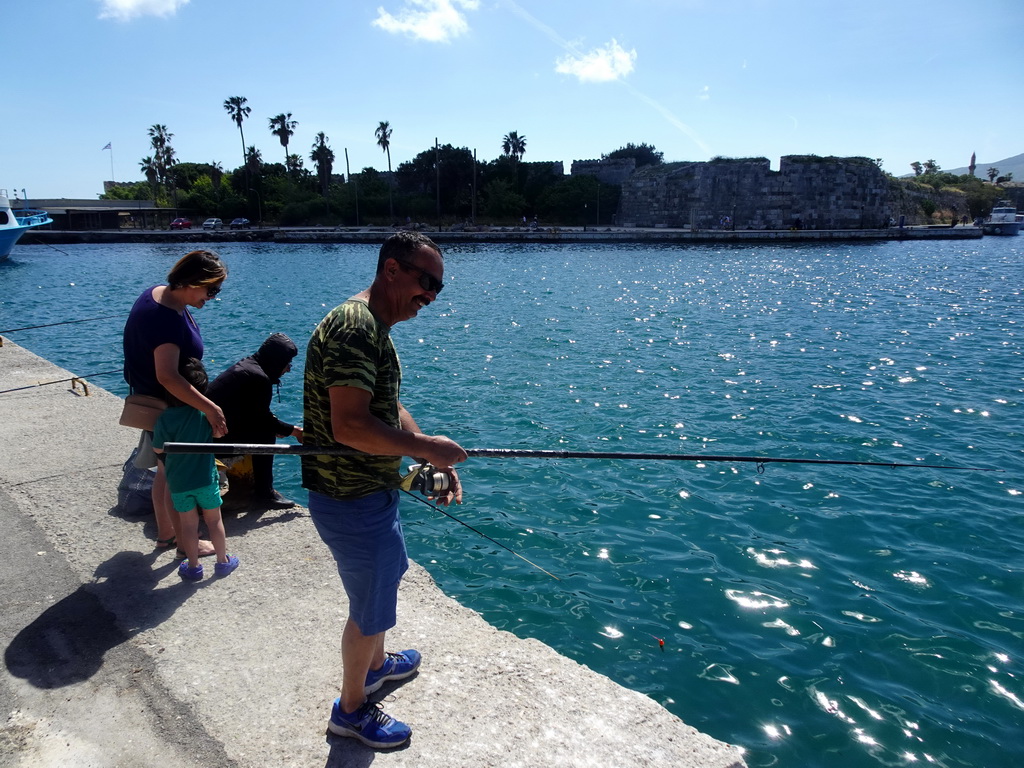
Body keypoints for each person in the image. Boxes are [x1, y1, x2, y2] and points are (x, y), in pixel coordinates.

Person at [302, 231, 467, 749]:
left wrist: (425, 453)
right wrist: (427, 447)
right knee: (370, 607)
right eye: (427, 282)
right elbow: (349, 426)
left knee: (384, 581)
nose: (433, 295)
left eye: (438, 286)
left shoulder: (373, 325)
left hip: (371, 491)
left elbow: (386, 408)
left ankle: (376, 667)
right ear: (391, 270)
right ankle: (350, 711)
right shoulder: (355, 327)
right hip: (350, 497)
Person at [122, 250, 228, 559]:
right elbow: (167, 376)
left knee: (165, 472)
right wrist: (211, 408)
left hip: (157, 403)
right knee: (174, 477)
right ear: (193, 281)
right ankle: (186, 545)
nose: (213, 296)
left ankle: (167, 535)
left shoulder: (159, 295)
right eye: (212, 289)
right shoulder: (164, 318)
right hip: (168, 405)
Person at [152, 358, 239, 581]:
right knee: (214, 521)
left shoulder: (165, 419)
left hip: (179, 483)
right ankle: (222, 562)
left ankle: (193, 566)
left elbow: (158, 448)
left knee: (188, 525)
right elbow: (219, 435)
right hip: (206, 480)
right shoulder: (203, 414)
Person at [207, 333, 303, 508]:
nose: (288, 369)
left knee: (266, 428)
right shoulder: (258, 378)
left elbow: (253, 413)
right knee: (265, 434)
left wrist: (279, 426)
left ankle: (258, 490)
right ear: (276, 361)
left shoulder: (248, 367)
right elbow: (262, 420)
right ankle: (264, 494)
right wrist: (295, 431)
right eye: (287, 363)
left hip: (204, 433)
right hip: (208, 441)